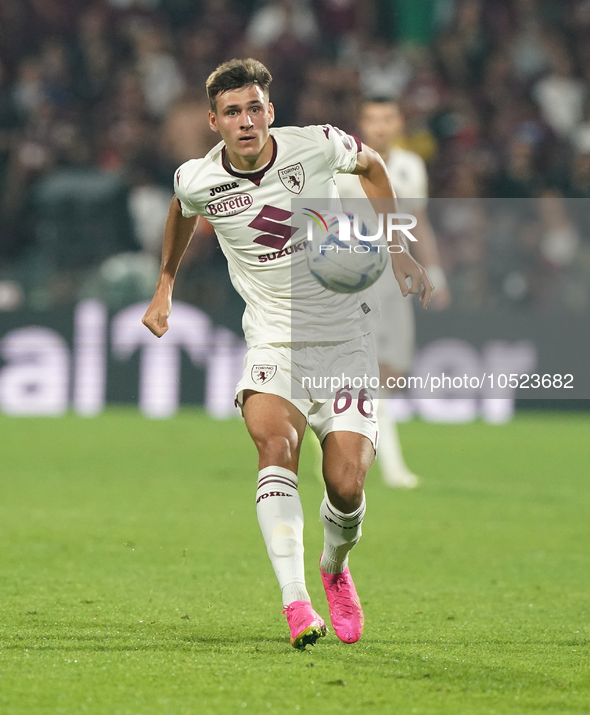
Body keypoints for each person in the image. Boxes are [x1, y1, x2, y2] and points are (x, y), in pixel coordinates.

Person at [142, 59, 433, 649]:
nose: (245, 121)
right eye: (232, 112)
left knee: (346, 485)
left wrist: (398, 249)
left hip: (346, 340)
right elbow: (180, 210)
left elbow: (373, 168)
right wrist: (164, 285)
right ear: (213, 121)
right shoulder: (198, 179)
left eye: (254, 108)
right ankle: (296, 602)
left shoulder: (317, 146)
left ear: (270, 111)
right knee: (275, 446)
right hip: (273, 340)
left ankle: (333, 567)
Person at [337, 99, 450, 487]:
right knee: (367, 371)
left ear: (399, 122)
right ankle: (390, 465)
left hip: (396, 279)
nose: (380, 126)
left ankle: (335, 428)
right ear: (362, 122)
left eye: (387, 118)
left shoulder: (410, 167)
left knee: (395, 374)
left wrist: (435, 272)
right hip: (356, 276)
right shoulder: (344, 163)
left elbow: (418, 221)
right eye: (372, 118)